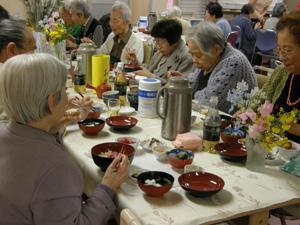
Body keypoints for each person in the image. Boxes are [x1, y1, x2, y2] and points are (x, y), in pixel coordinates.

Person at [0, 53, 130, 224]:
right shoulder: (55, 167)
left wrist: (51, 126)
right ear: (51, 100)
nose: (68, 98)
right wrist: (108, 186)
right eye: (65, 90)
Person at [168, 21, 257, 114]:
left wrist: (191, 94)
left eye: (197, 55)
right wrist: (181, 82)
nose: (194, 60)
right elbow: (194, 85)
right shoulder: (209, 61)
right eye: (191, 54)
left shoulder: (234, 63)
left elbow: (208, 103)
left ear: (216, 49)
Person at [262, 10, 300, 142]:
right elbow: (259, 102)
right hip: (273, 151)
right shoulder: (282, 73)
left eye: (287, 50)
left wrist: (295, 128)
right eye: (279, 49)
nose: (282, 57)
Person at [126, 19, 195, 83]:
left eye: (160, 43)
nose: (158, 47)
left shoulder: (186, 57)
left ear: (174, 42)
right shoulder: (163, 51)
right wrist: (135, 62)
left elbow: (177, 85)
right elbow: (149, 69)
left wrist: (150, 77)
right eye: (156, 42)